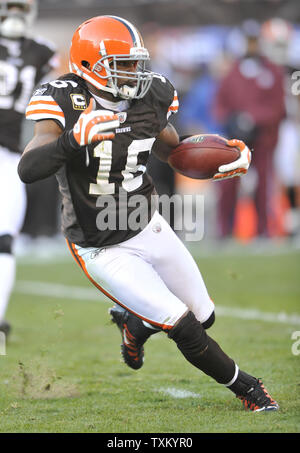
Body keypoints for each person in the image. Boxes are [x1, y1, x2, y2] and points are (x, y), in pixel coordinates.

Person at [18, 15, 278, 412]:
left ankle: (134, 324)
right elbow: (28, 168)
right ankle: (250, 389)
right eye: (121, 64)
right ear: (89, 66)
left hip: (146, 223)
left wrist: (220, 160)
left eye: (136, 62)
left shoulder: (150, 94)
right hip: (99, 244)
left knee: (203, 317)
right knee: (183, 325)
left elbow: (173, 151)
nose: (134, 72)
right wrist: (73, 139)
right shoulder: (65, 98)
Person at [0, 0, 58, 336]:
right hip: (9, 156)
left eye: (21, 7)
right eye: (11, 7)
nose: (16, 15)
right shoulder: (42, 52)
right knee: (4, 240)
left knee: (5, 240)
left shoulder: (42, 51)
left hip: (9, 155)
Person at [213, 20, 286, 239]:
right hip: (236, 141)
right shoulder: (233, 72)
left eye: (254, 42)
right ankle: (225, 231)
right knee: (228, 185)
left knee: (263, 186)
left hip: (263, 139)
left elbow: (278, 107)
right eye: (248, 42)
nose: (252, 46)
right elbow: (219, 104)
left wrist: (254, 120)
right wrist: (232, 120)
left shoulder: (272, 71)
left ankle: (263, 230)